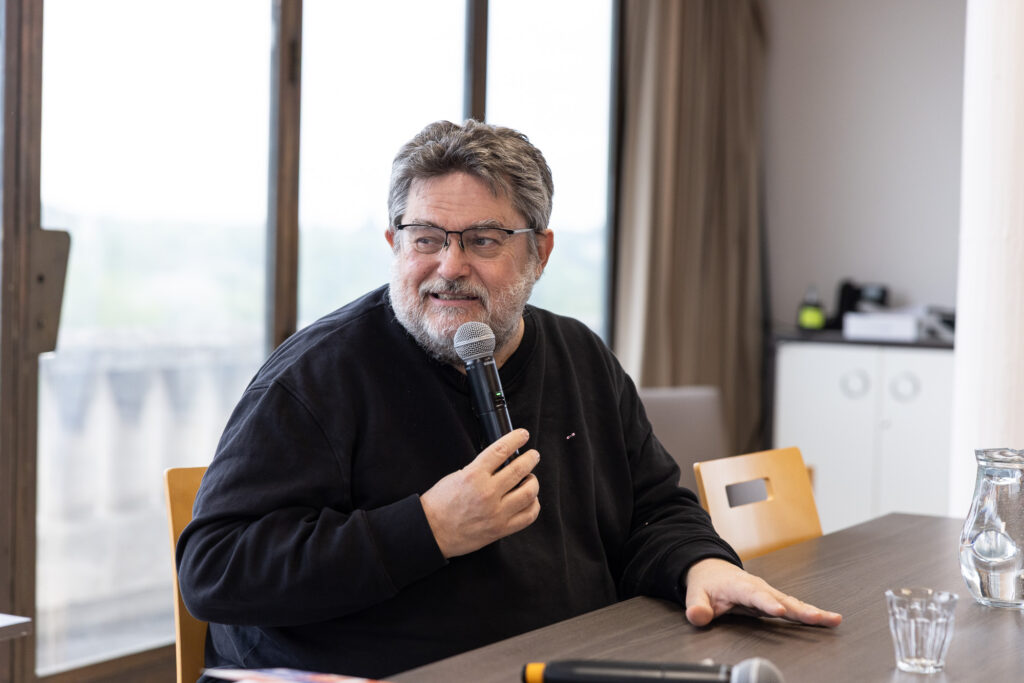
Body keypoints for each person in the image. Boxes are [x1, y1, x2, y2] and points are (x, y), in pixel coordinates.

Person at [176, 119, 841, 681]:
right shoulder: (317, 375)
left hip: (562, 662)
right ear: (394, 245)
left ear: (539, 253)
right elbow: (214, 568)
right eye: (426, 238)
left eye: (483, 240)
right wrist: (427, 528)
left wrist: (701, 563)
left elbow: (653, 509)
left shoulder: (580, 355)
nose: (449, 266)